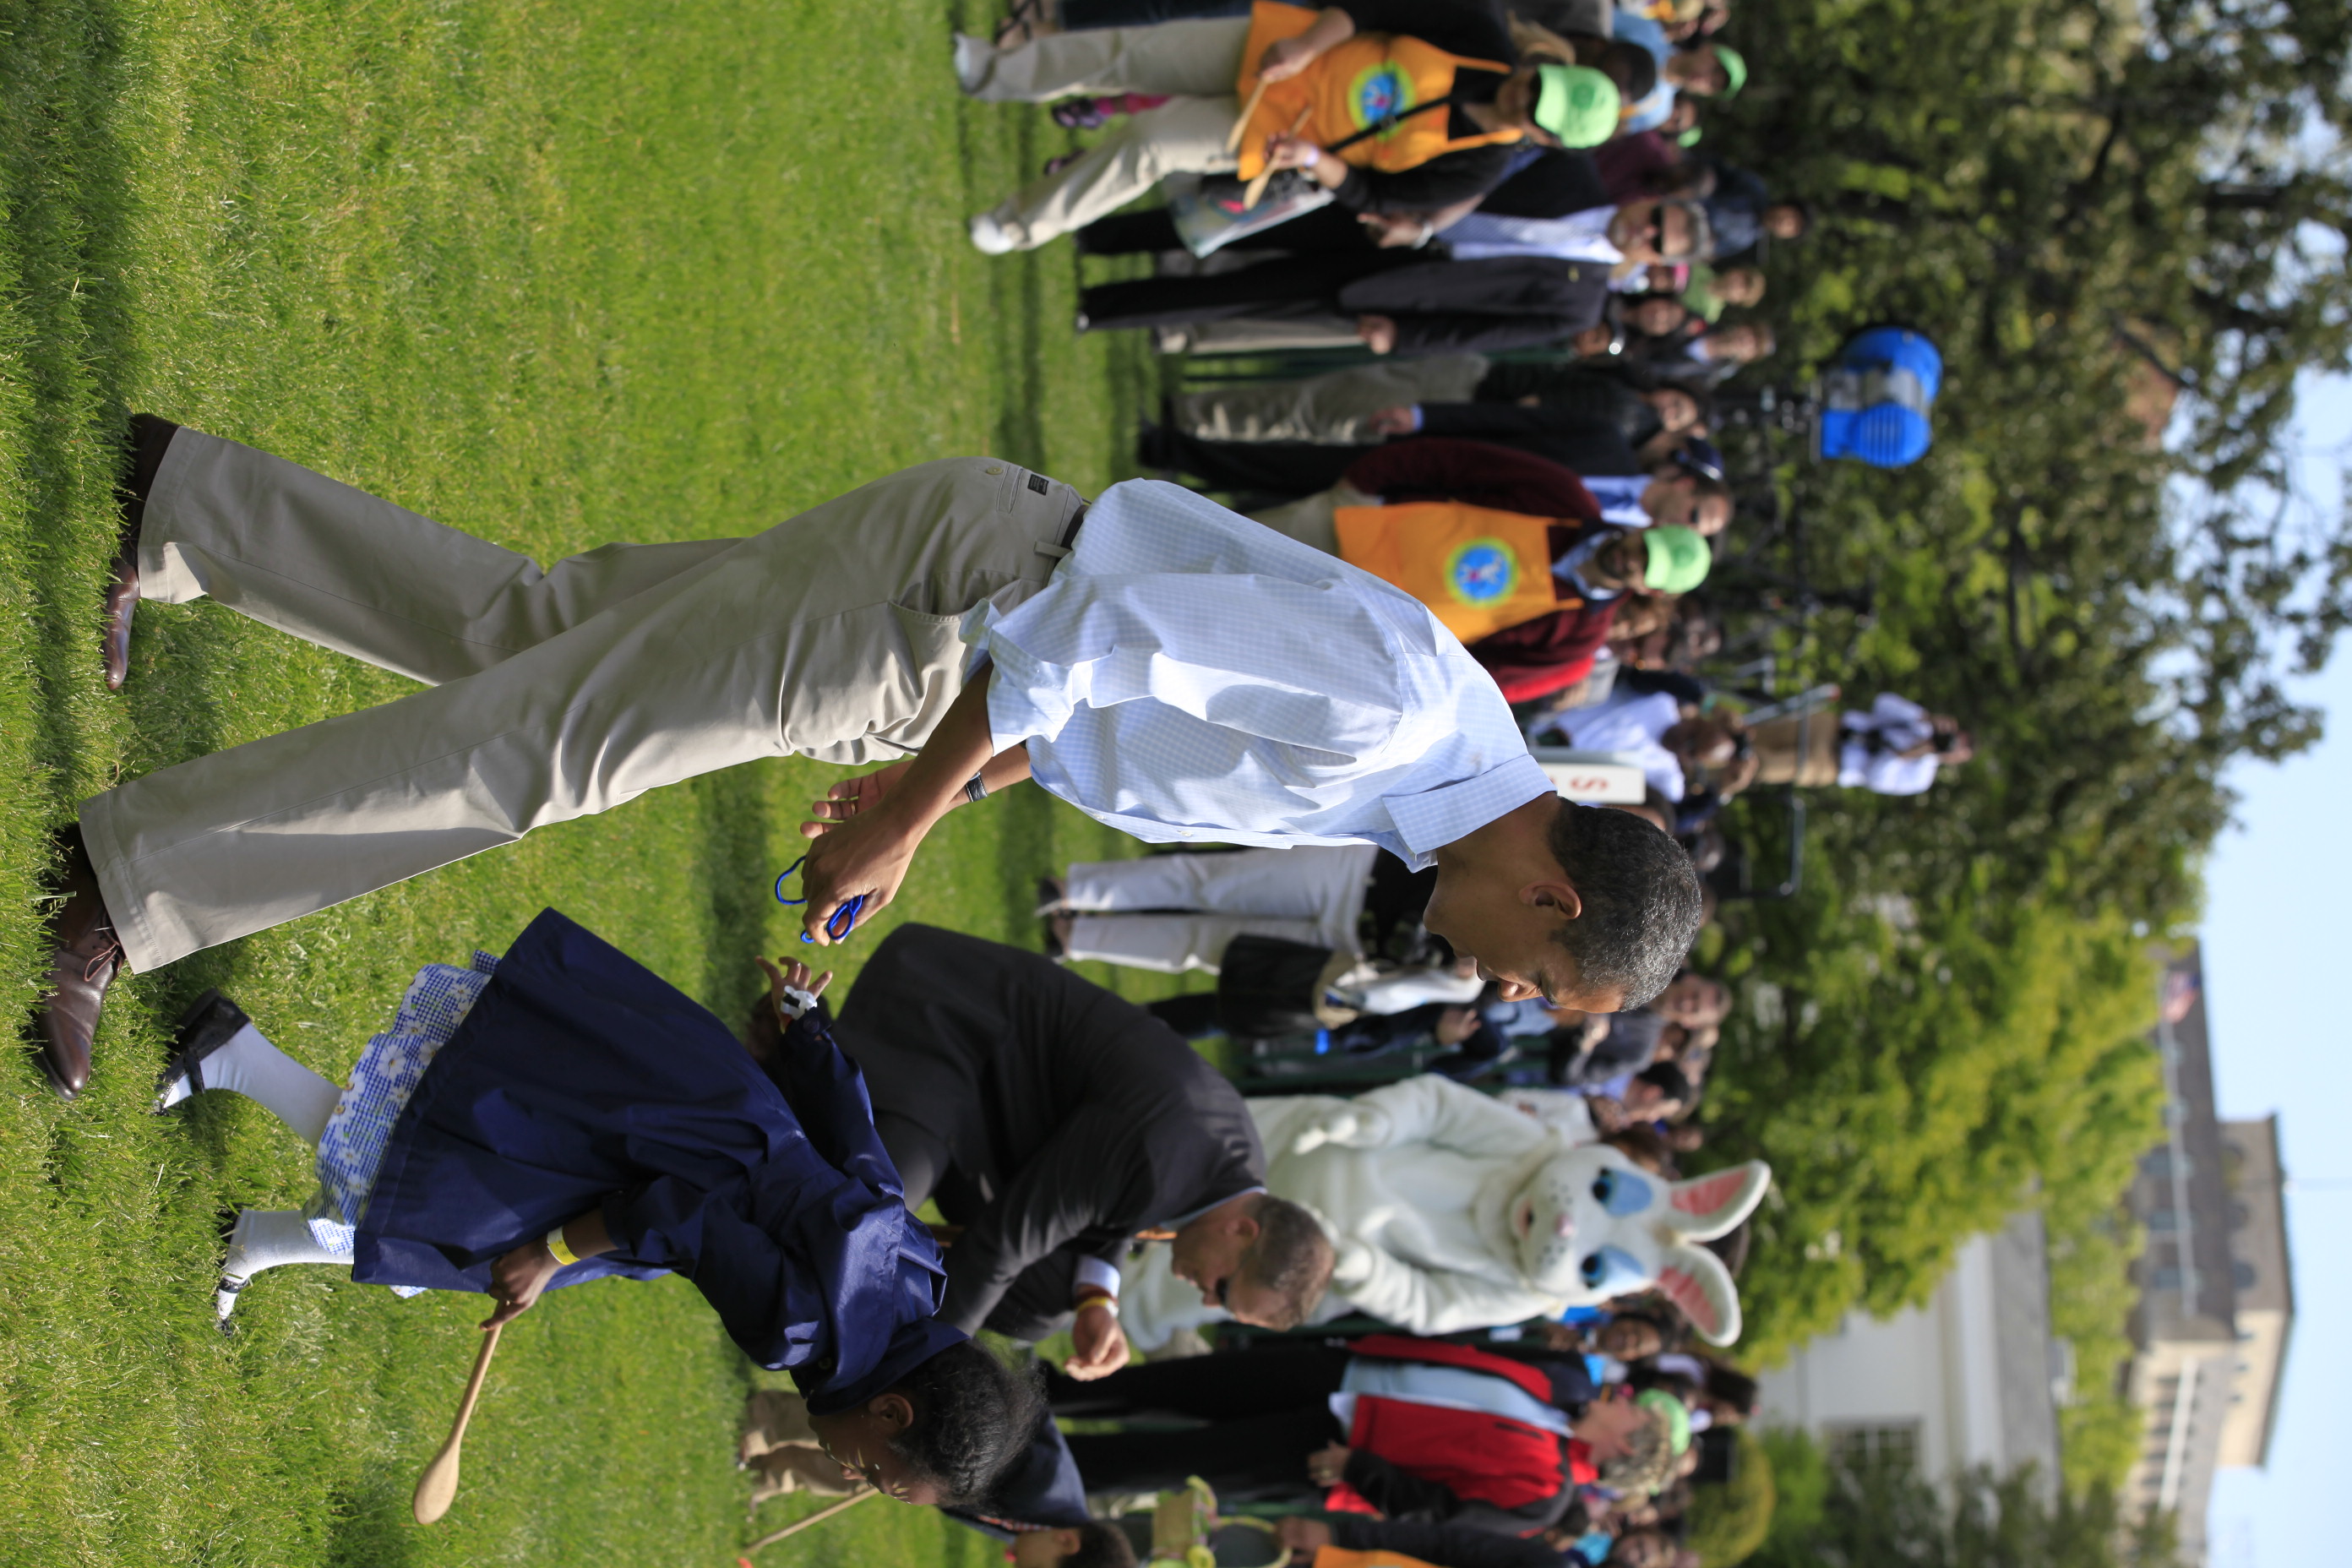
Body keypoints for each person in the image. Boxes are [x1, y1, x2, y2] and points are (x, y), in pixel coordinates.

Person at [35, 417, 1706, 1097]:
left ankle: (189, 500)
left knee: (531, 640)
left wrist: (949, 778)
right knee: (542, 748)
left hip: (954, 650)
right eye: (1539, 983)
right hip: (959, 602)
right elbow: (1096, 635)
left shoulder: (1434, 782)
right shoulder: (1405, 716)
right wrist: (908, 820)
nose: (1496, 990)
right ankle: (122, 888)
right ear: (1554, 895)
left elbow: (1130, 708)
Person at [150, 917, 1039, 1505]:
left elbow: (857, 1142)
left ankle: (254, 1237)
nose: (851, 1472)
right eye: (876, 1474)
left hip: (709, 1107)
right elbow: (683, 1216)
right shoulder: (800, 1331)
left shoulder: (918, 1277)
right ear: (890, 1414)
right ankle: (233, 1052)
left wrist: (807, 1028)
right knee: (430, 1185)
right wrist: (549, 1251)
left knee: (441, 1224)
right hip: (651, 1156)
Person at [809, 924, 1334, 1373]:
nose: (1203, 1297)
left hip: (995, 1107)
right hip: (941, 1020)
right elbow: (1002, 1244)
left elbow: (1113, 1208)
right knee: (858, 1216)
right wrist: (926, 1370)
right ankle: (804, 1046)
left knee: (1040, 1305)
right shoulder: (1161, 1153)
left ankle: (881, 1299)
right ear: (1242, 1231)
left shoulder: (1238, 1173)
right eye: (1221, 1290)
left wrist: (1098, 1301)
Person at [959, 2, 1627, 253]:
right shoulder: (1481, 31)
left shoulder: (1478, 167)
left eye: (1536, 110)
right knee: (1129, 54)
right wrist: (1307, 45)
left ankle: (1019, 226)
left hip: (1284, 130)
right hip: (1279, 50)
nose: (1523, 94)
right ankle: (994, 71)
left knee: (1151, 146)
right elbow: (1373, 7)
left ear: (1543, 139)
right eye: (1537, 83)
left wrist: (1313, 159)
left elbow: (1376, 198)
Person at [1048, 1335, 1680, 1531]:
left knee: (1163, 1460)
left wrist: (1358, 1470)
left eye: (1633, 1413)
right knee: (1172, 1385)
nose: (1622, 1400)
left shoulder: (1547, 1495)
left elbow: (1440, 1513)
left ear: (1626, 1445)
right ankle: (1034, 1391)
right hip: (1338, 1374)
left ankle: (1019, 1462)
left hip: (1329, 1454)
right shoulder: (1553, 1396)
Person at [1078, 192, 1702, 351]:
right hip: (1387, 214)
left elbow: (1486, 334)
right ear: (1650, 199)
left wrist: (1402, 337)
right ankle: (1096, 233)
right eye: (1656, 219)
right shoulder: (1573, 176)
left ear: (1655, 262)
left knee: (1237, 295)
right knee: (1245, 220)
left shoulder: (1583, 303)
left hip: (1407, 283)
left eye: (1657, 244)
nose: (1643, 232)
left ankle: (1099, 309)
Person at [1040, 843, 1383, 972]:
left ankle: (1078, 938)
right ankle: (1072, 891)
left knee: (1207, 949)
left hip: (1362, 952)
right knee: (1212, 881)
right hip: (1365, 873)